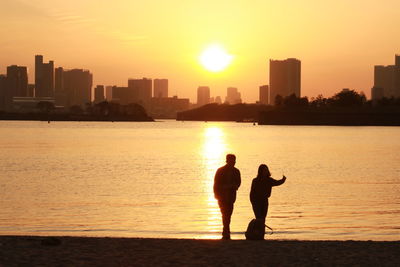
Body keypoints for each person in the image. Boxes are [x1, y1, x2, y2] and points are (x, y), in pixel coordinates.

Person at [213, 154, 241, 240]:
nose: (234, 162)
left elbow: (238, 183)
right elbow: (216, 184)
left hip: (231, 197)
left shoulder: (236, 171)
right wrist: (217, 195)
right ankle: (226, 232)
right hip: (222, 197)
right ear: (227, 160)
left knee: (228, 214)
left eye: (234, 161)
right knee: (225, 214)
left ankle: (226, 231)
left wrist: (234, 186)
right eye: (232, 161)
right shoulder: (220, 170)